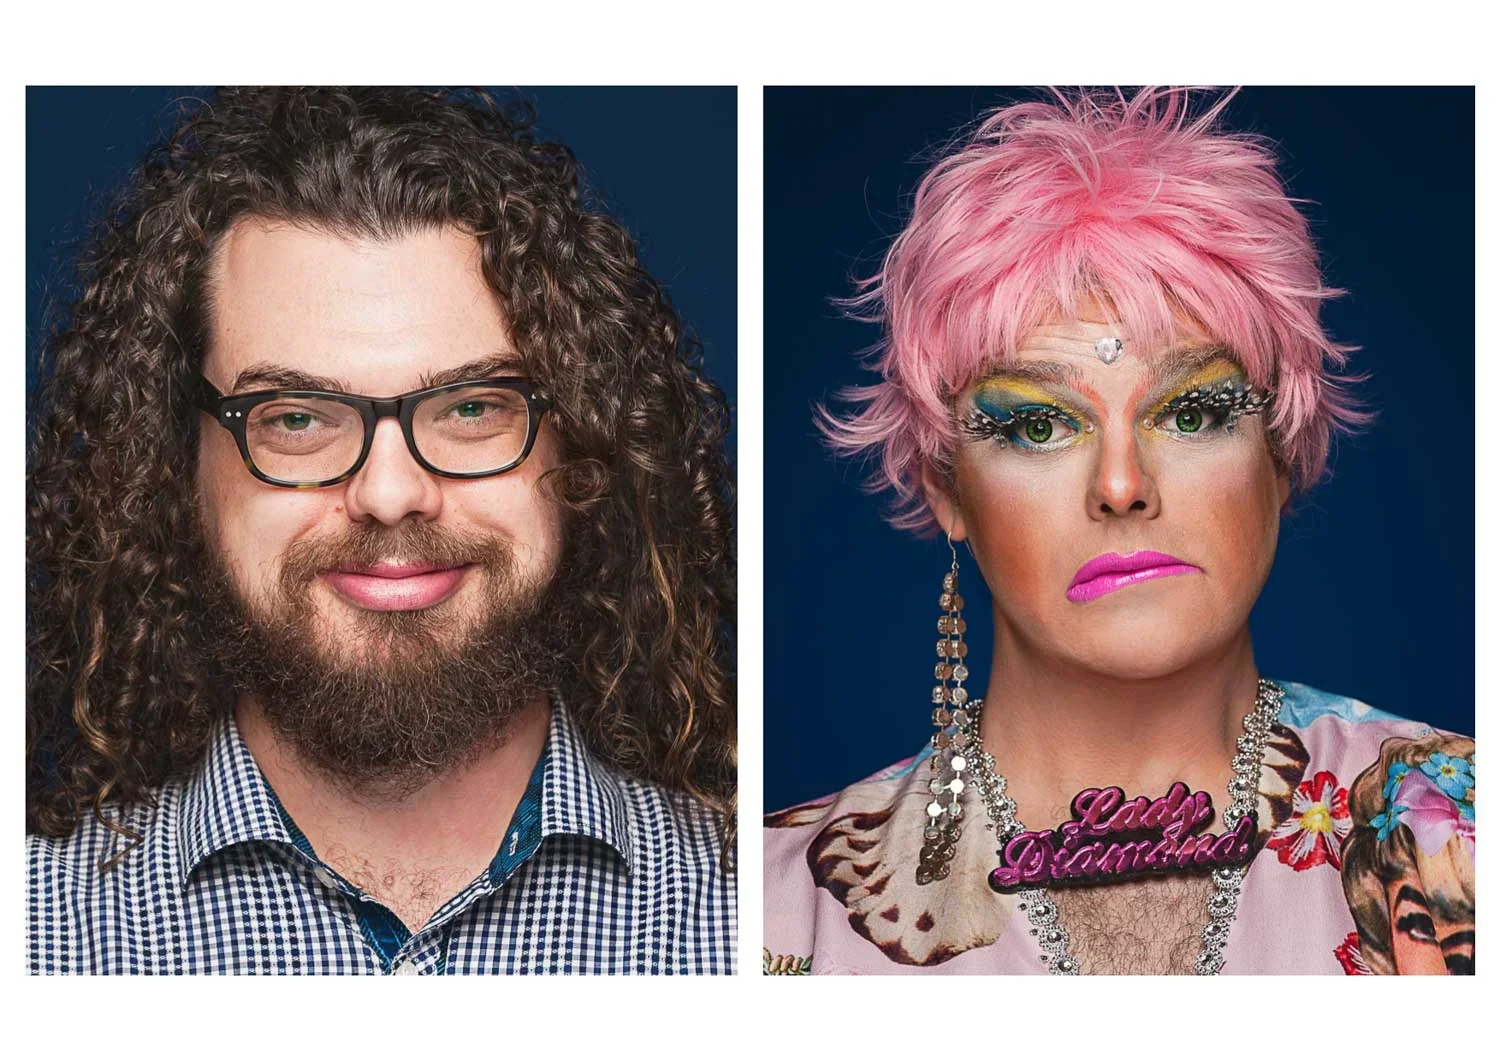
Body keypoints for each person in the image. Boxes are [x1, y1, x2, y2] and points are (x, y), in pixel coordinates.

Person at [763, 87, 1473, 975]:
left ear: (1280, 451)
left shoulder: (1464, 834)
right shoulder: (777, 914)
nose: (1122, 484)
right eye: (1036, 425)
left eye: (1194, 410)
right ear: (944, 484)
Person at [26, 87, 736, 975]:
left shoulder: (744, 914)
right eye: (294, 418)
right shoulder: (36, 933)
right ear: (176, 461)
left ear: (583, 440)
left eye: (473, 405)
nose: (391, 492)